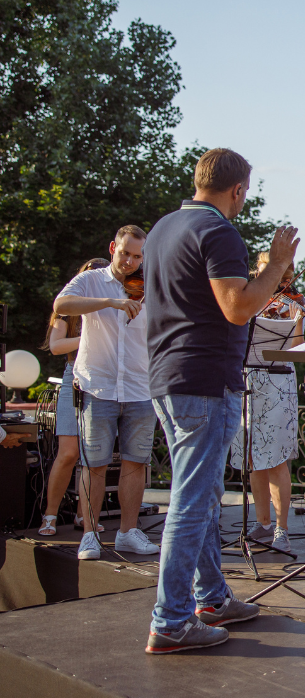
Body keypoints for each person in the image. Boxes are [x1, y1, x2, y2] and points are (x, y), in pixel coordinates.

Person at [143, 147, 299, 654]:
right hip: (205, 380)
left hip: (168, 376)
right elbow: (238, 307)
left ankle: (211, 597)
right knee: (191, 503)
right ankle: (170, 621)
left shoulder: (164, 227)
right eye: (246, 193)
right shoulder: (219, 232)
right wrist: (276, 265)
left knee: (204, 496)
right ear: (237, 190)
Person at [53, 228, 160, 561]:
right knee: (94, 464)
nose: (130, 262)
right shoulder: (91, 280)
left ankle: (128, 532)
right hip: (98, 385)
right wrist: (112, 301)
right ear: (113, 248)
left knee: (135, 462)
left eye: (137, 256)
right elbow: (62, 304)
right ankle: (90, 534)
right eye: (125, 253)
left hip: (140, 386)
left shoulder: (150, 287)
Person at [227, 254, 305, 554]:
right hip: (246, 380)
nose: (275, 283)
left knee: (275, 458)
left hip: (278, 381)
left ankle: (281, 528)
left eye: (282, 278)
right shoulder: (247, 298)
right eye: (267, 275)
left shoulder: (295, 303)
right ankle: (261, 522)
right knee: (252, 456)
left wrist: (290, 326)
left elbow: (298, 349)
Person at [37, 258, 110, 536]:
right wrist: (92, 337)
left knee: (94, 457)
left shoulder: (110, 306)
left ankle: (84, 516)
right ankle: (50, 515)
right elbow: (56, 347)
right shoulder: (67, 310)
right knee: (68, 453)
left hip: (103, 380)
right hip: (73, 378)